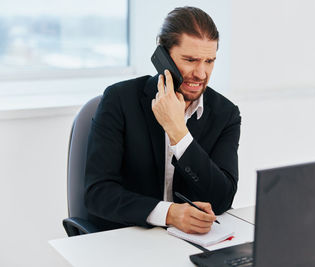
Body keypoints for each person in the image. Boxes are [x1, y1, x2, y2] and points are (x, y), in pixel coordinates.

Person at [84, 6, 241, 234]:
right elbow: (97, 193)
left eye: (209, 61)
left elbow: (222, 199)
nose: (201, 73)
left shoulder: (226, 114)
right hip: (127, 236)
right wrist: (168, 214)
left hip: (188, 242)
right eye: (190, 60)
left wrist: (179, 133)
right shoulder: (120, 100)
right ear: (163, 56)